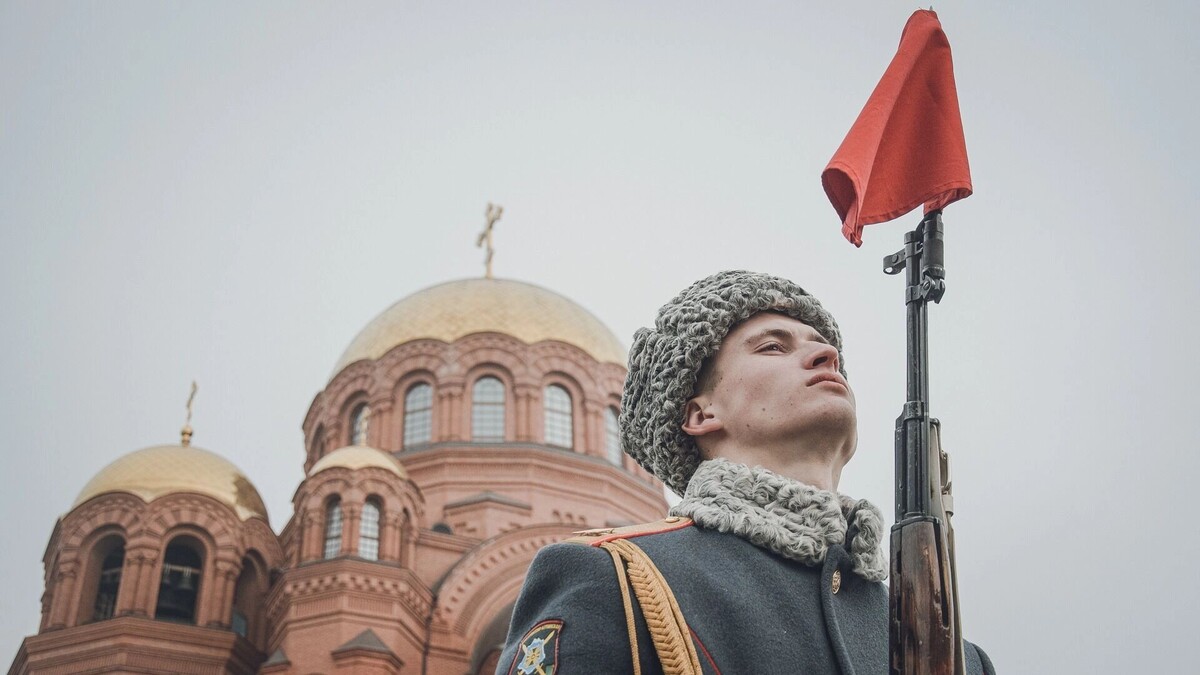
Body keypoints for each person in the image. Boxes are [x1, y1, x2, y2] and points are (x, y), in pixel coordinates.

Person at [497, 270, 995, 674]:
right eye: (773, 346)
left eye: (822, 345)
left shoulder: (961, 660)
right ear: (699, 414)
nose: (827, 355)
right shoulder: (616, 580)